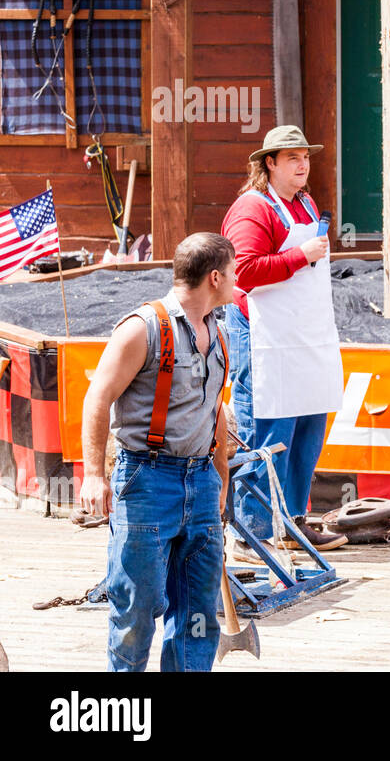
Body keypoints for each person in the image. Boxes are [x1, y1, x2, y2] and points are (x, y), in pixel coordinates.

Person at [81, 233, 237, 672]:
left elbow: (214, 409)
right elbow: (98, 398)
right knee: (137, 607)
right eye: (234, 271)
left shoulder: (218, 331)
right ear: (214, 277)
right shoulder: (142, 328)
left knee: (199, 612)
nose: (237, 279)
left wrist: (220, 478)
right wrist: (93, 475)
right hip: (147, 481)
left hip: (201, 482)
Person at [219, 125, 346, 558]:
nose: (302, 164)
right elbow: (245, 271)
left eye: (305, 156)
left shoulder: (303, 202)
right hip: (264, 336)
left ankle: (290, 522)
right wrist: (299, 256)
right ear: (268, 163)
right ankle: (249, 534)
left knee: (307, 428)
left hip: (304, 336)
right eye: (291, 158)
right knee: (268, 429)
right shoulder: (252, 210)